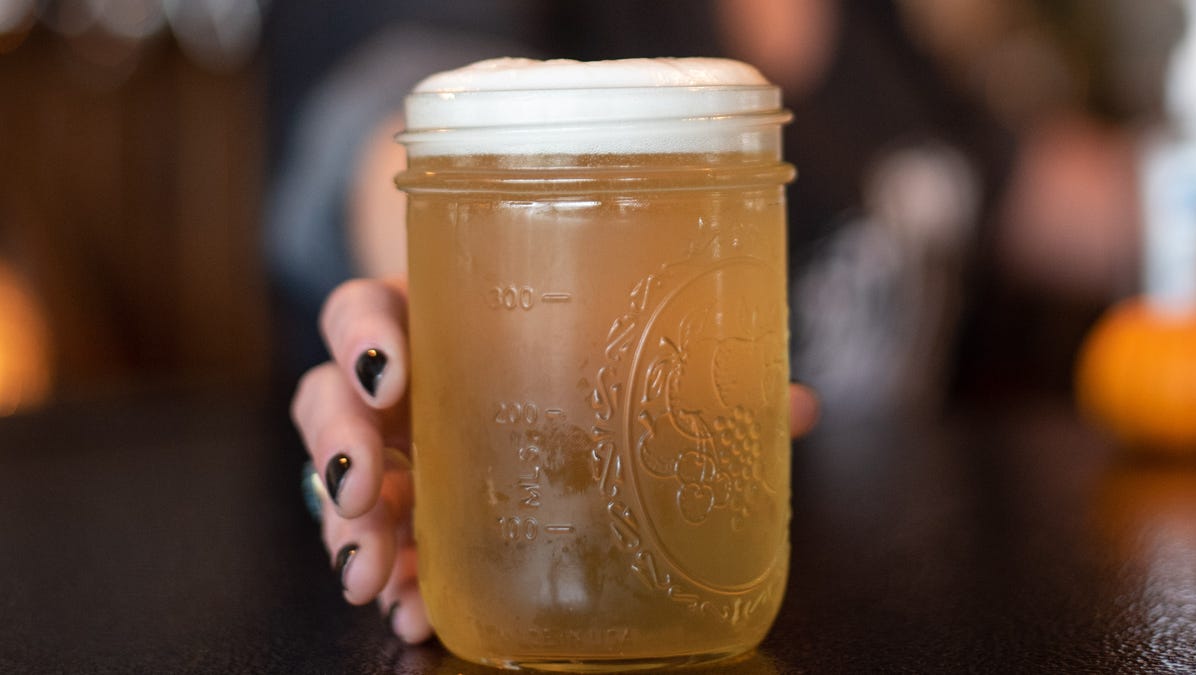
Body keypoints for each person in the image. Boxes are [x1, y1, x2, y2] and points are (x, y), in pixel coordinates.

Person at [273, 0, 1147, 644]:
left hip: (882, 598)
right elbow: (390, 115)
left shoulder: (870, 24)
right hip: (608, 565)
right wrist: (444, 295)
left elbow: (1018, 178)